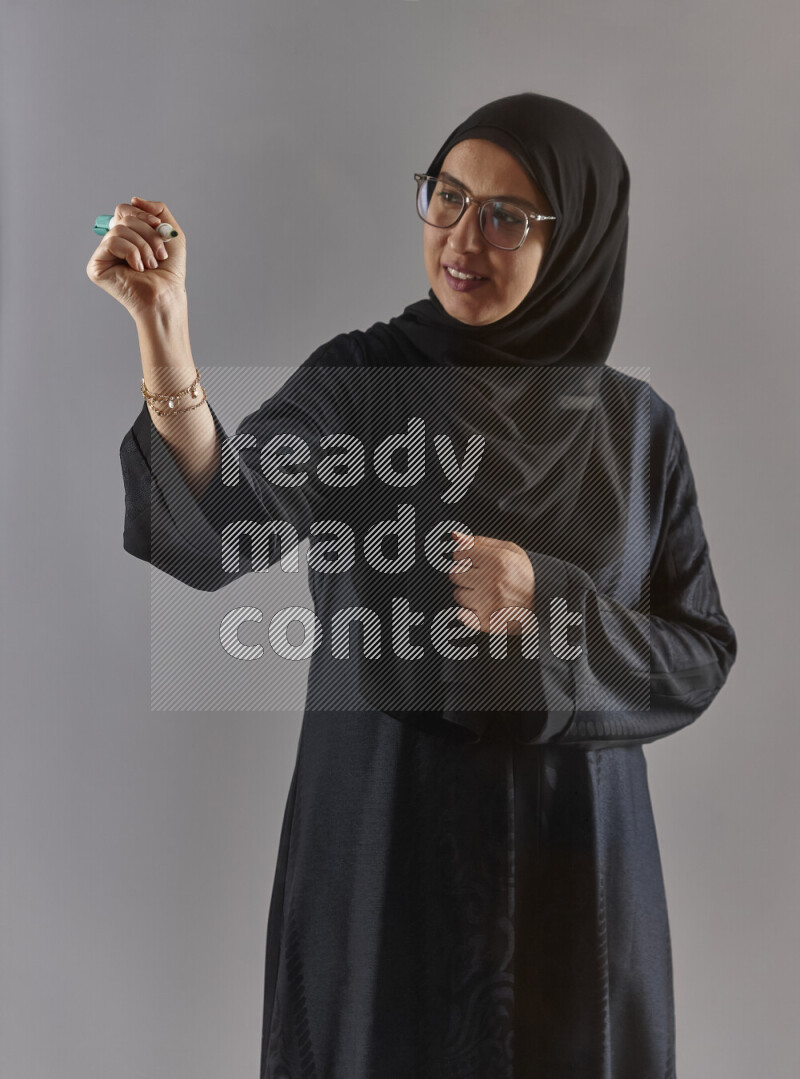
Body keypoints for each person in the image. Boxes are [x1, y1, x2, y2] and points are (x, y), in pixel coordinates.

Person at [87, 93, 737, 1079]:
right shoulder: (360, 384)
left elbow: (693, 656)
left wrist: (546, 602)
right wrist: (164, 332)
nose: (461, 237)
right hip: (387, 850)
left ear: (578, 238)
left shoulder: (634, 429)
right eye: (445, 195)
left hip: (577, 867)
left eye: (506, 215)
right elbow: (219, 532)